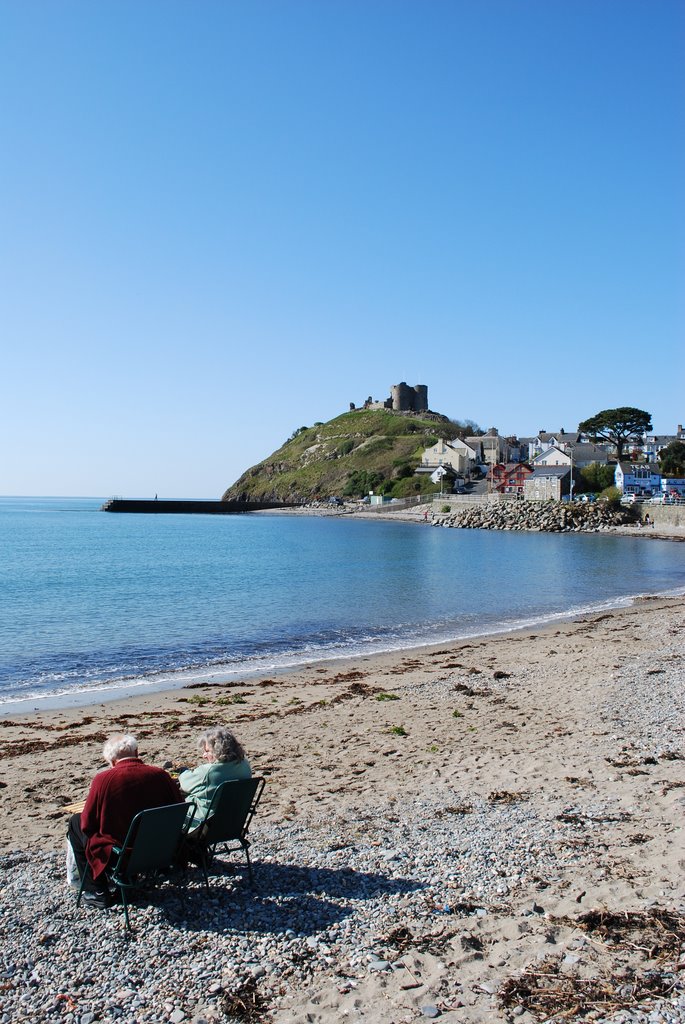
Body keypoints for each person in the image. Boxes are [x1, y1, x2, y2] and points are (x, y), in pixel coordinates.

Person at [67, 734, 181, 908]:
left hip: (124, 854)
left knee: (76, 822)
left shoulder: (103, 780)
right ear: (136, 752)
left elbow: (87, 824)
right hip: (162, 848)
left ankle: (96, 890)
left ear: (112, 761)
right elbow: (179, 808)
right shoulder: (160, 775)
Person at [178, 726, 251, 829]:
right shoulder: (245, 765)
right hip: (232, 822)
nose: (204, 755)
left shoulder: (209, 772)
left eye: (207, 751)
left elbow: (185, 783)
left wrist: (183, 771)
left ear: (218, 751)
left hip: (202, 824)